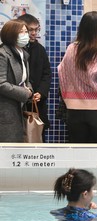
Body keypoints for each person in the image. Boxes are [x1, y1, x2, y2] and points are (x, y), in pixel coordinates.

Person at [58, 11, 97, 143]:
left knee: (78, 154)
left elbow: (61, 74)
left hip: (74, 110)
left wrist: (68, 97)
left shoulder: (70, 49)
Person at [18, 14, 51, 142]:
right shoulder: (11, 49)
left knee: (38, 137)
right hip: (17, 102)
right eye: (30, 30)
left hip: (37, 103)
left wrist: (41, 92)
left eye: (36, 29)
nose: (34, 33)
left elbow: (47, 74)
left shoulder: (40, 49)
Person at [0, 19, 33, 142]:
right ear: (11, 34)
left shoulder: (23, 53)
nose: (25, 35)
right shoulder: (2, 54)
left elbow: (26, 79)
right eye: (21, 32)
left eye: (26, 32)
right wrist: (25, 93)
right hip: (5, 110)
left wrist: (29, 89)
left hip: (19, 108)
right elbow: (1, 83)